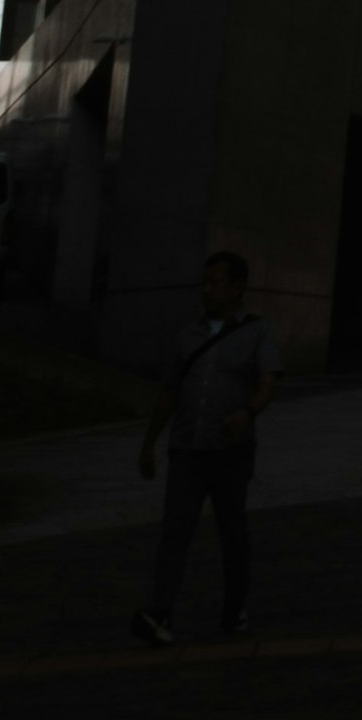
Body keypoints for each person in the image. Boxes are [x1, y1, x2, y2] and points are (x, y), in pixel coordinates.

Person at [131, 250, 279, 645]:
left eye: (216, 282)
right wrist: (149, 444)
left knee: (232, 531)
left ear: (237, 287)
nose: (208, 290)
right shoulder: (187, 335)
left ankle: (234, 607)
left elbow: (268, 382)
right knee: (175, 531)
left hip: (230, 452)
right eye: (205, 282)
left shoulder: (256, 331)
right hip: (187, 451)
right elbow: (169, 392)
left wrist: (248, 413)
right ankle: (160, 611)